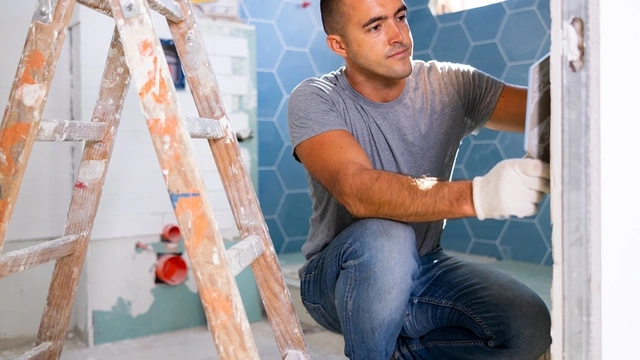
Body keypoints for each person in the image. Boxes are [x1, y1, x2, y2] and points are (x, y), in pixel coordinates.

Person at [286, 0, 552, 359]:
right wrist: (481, 196)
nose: (399, 36)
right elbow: (356, 189)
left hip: (426, 265)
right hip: (338, 280)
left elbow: (545, 111)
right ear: (339, 46)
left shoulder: (452, 85)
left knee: (528, 326)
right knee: (387, 236)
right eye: (376, 26)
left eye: (401, 17)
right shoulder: (316, 98)